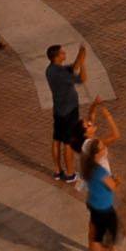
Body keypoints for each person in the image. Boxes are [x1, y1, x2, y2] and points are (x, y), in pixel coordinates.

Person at [46, 43, 93, 180]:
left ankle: (57, 171)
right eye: (62, 53)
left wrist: (81, 54)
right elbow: (82, 79)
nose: (65, 54)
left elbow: (73, 66)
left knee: (56, 139)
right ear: (56, 57)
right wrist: (83, 63)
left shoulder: (50, 70)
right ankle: (70, 173)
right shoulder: (62, 74)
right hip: (69, 111)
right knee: (68, 142)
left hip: (58, 111)